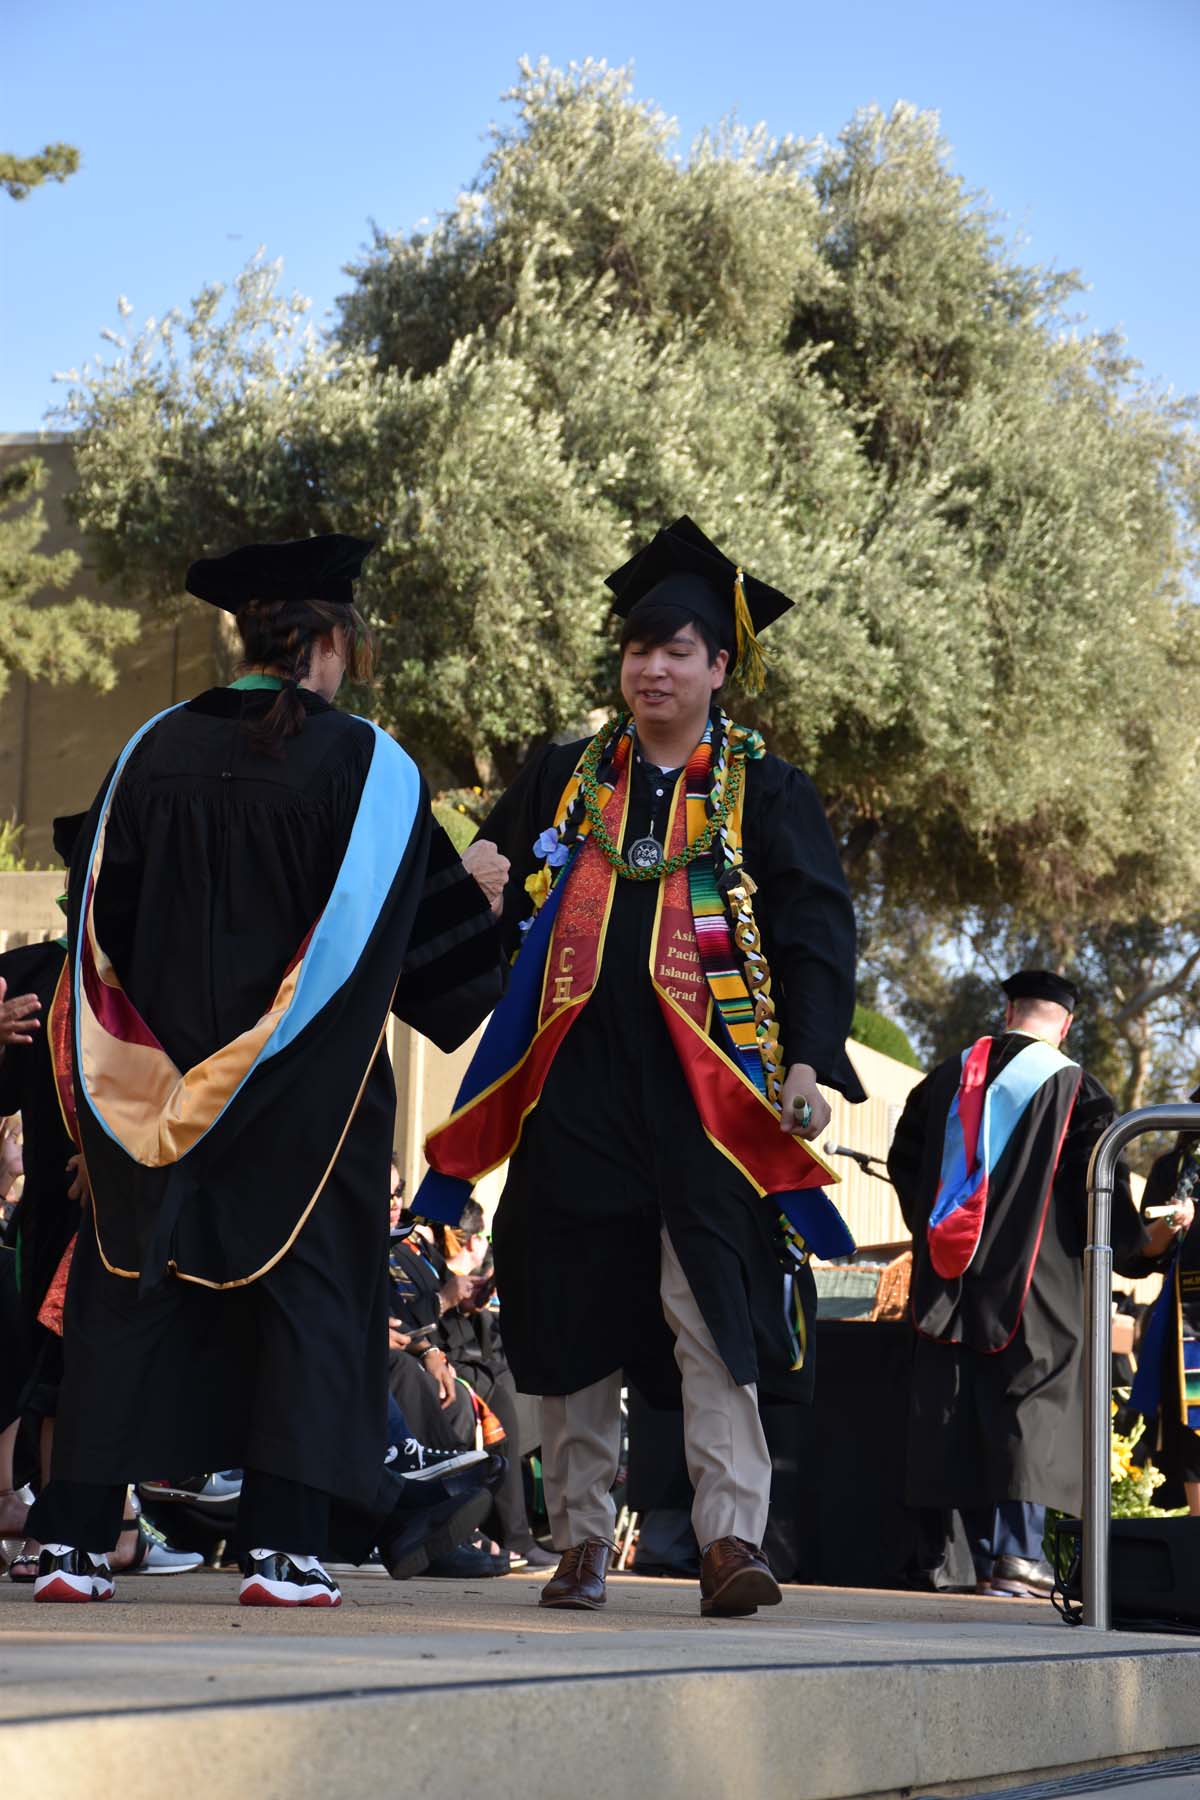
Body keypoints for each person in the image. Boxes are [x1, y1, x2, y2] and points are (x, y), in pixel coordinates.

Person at [27, 533, 510, 1607]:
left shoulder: (149, 751)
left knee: (128, 1295)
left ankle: (68, 1541)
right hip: (312, 1107)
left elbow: (95, 932)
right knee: (310, 1298)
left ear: (246, 638)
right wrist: (478, 900)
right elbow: (437, 973)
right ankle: (285, 1553)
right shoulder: (372, 770)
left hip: (150, 1089)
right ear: (334, 643)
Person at [417, 516, 864, 1617]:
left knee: (711, 1309)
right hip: (572, 1093)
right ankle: (577, 1542)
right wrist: (468, 874)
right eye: (637, 650)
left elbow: (813, 929)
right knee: (567, 1313)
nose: (652, 668)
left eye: (677, 650)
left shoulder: (769, 790)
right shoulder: (567, 776)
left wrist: (807, 1061)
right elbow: (482, 887)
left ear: (722, 666)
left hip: (708, 1103)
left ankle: (728, 1541)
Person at [888, 968, 1185, 1597]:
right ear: (1066, 1024)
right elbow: (1096, 1187)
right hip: (1040, 1279)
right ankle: (1018, 1558)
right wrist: (1131, 1252)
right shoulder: (1078, 1088)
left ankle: (944, 1559)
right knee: (1032, 1399)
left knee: (953, 1400)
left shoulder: (948, 1075)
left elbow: (903, 1159)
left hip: (950, 1276)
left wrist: (937, 1228)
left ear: (1009, 1011)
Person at [1128, 1095, 1200, 1511]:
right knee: (1192, 1430)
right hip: (1185, 1320)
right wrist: (1172, 1222)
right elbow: (1143, 1253)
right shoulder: (1173, 1169)